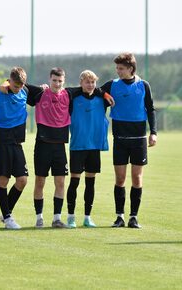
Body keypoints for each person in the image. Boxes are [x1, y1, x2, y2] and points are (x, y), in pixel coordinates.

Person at [101, 52, 157, 229]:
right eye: (117, 68)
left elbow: (151, 109)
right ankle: (119, 217)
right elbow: (94, 91)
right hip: (120, 139)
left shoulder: (143, 85)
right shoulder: (112, 85)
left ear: (131, 69)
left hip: (139, 139)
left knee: (137, 178)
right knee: (120, 179)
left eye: (121, 68)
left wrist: (153, 132)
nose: (118, 71)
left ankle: (134, 217)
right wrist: (105, 96)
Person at [0, 67, 40, 230]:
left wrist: (44, 87)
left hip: (17, 143)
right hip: (1, 142)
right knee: (3, 180)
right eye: (15, 85)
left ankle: (6, 213)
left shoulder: (25, 90)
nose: (18, 89)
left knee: (22, 180)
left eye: (20, 86)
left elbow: (39, 92)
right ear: (9, 80)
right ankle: (8, 217)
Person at [23, 68, 72, 229]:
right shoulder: (39, 92)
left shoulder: (68, 94)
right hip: (42, 145)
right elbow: (15, 81)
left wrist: (106, 95)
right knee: (40, 181)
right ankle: (39, 218)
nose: (57, 84)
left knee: (60, 182)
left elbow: (92, 89)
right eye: (54, 80)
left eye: (60, 81)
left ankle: (57, 219)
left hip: (60, 147)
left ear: (63, 81)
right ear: (49, 80)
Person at [66, 70, 112, 228]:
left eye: (93, 82)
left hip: (94, 146)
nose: (91, 85)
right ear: (81, 83)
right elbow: (65, 90)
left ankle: (87, 217)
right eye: (87, 82)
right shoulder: (73, 98)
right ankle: (71, 217)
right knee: (74, 182)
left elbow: (113, 94)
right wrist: (100, 91)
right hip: (78, 146)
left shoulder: (102, 99)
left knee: (90, 183)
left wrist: (103, 93)